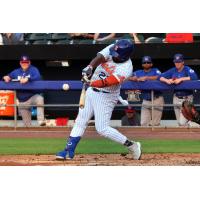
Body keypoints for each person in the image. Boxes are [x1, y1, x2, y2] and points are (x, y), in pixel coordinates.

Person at [56, 39, 142, 160]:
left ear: (124, 56)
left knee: (102, 129)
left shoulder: (126, 68)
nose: (112, 55)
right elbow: (100, 56)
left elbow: (109, 82)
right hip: (91, 92)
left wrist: (91, 82)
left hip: (107, 96)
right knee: (81, 121)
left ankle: (132, 145)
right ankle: (69, 150)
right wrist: (90, 67)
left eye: (116, 55)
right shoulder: (114, 47)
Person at [3, 55, 46, 127]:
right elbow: (8, 77)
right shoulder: (16, 71)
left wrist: (28, 79)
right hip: (22, 101)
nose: (24, 64)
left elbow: (38, 76)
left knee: (40, 98)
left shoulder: (33, 69)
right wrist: (6, 77)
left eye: (26, 62)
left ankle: (41, 120)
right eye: (23, 62)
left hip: (32, 96)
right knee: (28, 126)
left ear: (29, 62)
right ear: (20, 63)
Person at [159, 53, 198, 126]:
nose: (177, 63)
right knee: (180, 123)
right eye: (176, 62)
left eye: (179, 61)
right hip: (176, 97)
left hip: (186, 99)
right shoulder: (173, 70)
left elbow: (195, 77)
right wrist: (167, 80)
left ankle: (193, 126)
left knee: (183, 122)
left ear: (183, 62)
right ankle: (186, 136)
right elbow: (160, 77)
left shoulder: (187, 69)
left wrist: (181, 79)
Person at [129, 56, 164, 126]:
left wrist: (147, 78)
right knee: (143, 123)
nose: (146, 64)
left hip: (156, 99)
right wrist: (135, 79)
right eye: (144, 62)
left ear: (151, 64)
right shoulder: (138, 72)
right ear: (142, 64)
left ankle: (155, 137)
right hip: (146, 100)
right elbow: (128, 76)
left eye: (148, 62)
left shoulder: (155, 70)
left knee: (155, 123)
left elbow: (160, 77)